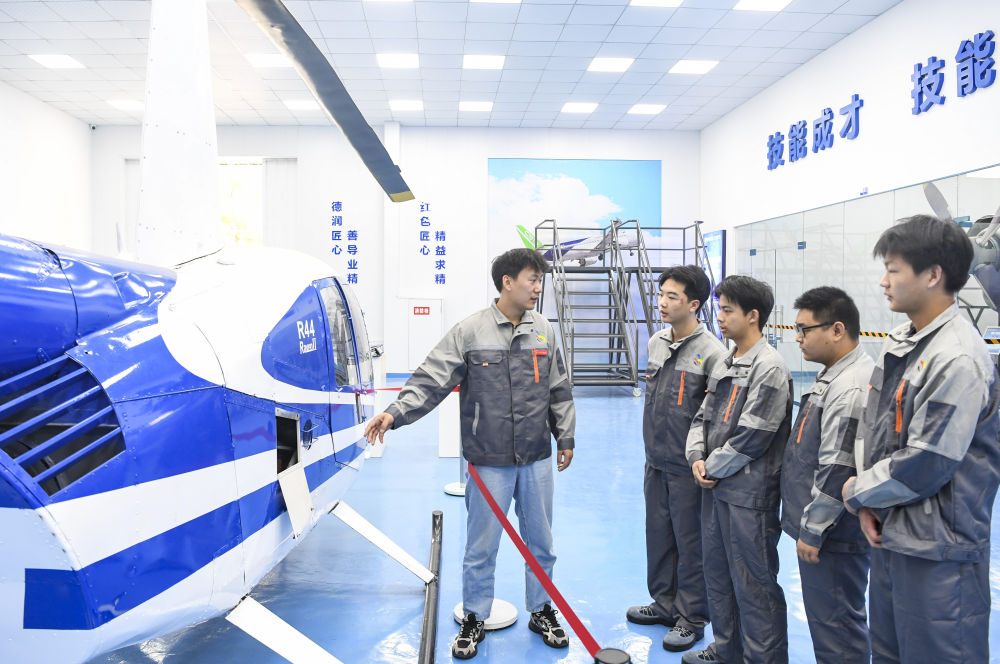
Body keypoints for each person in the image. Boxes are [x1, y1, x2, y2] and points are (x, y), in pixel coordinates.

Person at [364, 248, 576, 660]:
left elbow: (559, 388)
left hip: (535, 456)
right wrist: (395, 412)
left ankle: (542, 610)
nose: (538, 287)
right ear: (507, 282)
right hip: (488, 459)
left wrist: (564, 436)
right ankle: (475, 615)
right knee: (482, 545)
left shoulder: (545, 332)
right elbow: (430, 379)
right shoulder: (470, 332)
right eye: (532, 279)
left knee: (541, 542)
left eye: (540, 280)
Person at [842, 215, 1000, 663]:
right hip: (892, 533)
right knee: (888, 653)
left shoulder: (957, 357)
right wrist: (871, 504)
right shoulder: (904, 344)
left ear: (933, 275)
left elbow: (927, 461)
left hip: (940, 552)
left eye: (893, 270)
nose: (883, 281)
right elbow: (876, 431)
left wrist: (858, 493)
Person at [683, 274, 792, 664]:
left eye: (728, 310)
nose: (721, 317)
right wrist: (696, 457)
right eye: (720, 309)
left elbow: (753, 436)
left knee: (754, 584)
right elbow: (702, 417)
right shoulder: (727, 362)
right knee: (718, 575)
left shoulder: (769, 367)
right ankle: (728, 650)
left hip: (749, 496)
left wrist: (710, 467)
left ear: (753, 316)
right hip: (716, 489)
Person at [626, 266, 726, 653]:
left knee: (691, 542)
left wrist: (702, 460)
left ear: (694, 304)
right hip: (655, 461)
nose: (662, 302)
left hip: (689, 469)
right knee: (658, 535)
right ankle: (664, 604)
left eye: (673, 296)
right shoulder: (656, 343)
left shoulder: (712, 353)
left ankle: (692, 616)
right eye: (661, 294)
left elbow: (713, 418)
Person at [781, 287, 872, 664]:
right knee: (831, 623)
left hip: (834, 535)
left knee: (837, 627)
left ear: (837, 329)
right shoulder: (835, 375)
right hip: (828, 530)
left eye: (804, 329)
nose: (798, 338)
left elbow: (838, 467)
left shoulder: (850, 387)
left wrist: (814, 529)